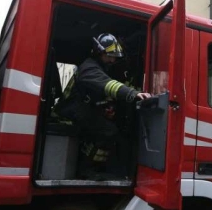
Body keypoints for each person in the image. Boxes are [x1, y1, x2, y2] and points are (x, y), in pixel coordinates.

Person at [56, 33, 151, 179]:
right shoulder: (89, 68)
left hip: (78, 108)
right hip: (69, 111)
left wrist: (105, 106)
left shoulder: (97, 66)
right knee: (109, 131)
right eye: (110, 56)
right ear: (99, 52)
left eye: (114, 56)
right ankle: (86, 169)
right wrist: (133, 93)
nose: (113, 60)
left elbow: (96, 93)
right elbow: (108, 85)